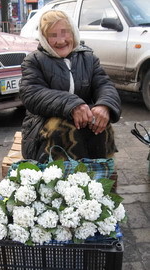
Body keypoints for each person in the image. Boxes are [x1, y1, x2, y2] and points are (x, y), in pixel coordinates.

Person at [19, 9, 121, 163]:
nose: (60, 41)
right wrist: (73, 105)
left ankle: (99, 176)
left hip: (83, 122)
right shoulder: (33, 61)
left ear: (73, 33)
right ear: (44, 38)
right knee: (63, 129)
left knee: (100, 125)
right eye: (53, 35)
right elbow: (32, 94)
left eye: (64, 32)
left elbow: (104, 85)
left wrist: (105, 106)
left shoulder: (88, 58)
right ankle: (62, 179)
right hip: (43, 129)